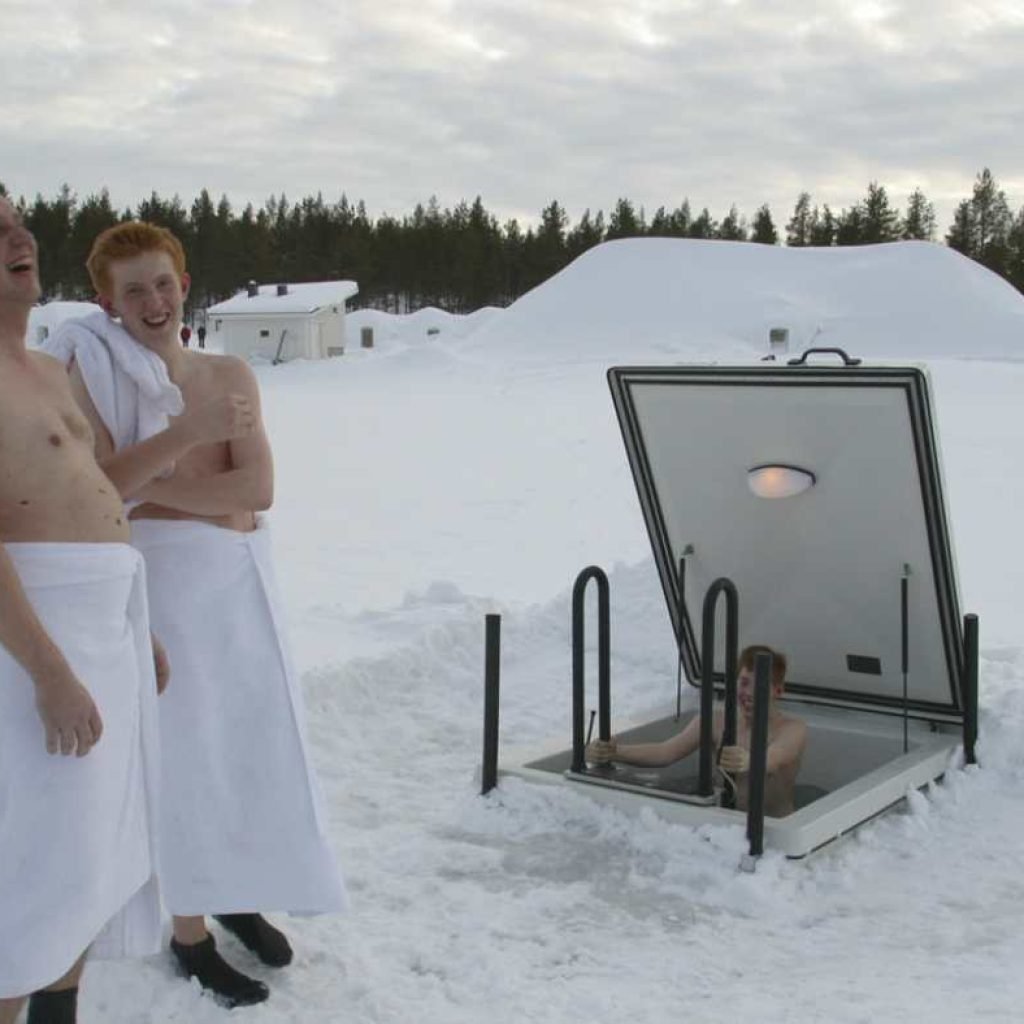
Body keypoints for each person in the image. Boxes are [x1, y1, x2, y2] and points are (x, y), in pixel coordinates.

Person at [60, 221, 346, 1008]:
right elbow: (97, 486)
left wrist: (149, 483)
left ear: (185, 283)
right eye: (132, 291)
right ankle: (187, 932)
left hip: (238, 585)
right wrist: (170, 459)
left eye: (162, 282)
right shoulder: (93, 377)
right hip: (164, 591)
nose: (152, 301)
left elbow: (253, 492)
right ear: (105, 303)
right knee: (181, 757)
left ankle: (234, 889)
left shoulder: (228, 375)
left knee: (245, 743)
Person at [0, 197, 164, 1023]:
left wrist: (140, 630)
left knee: (85, 855)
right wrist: (50, 674)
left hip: (101, 628)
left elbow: (93, 495)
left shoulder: (44, 369)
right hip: (33, 644)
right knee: (22, 867)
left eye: (17, 220)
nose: (18, 238)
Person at [586, 645, 807, 817]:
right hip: (727, 822)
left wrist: (748, 760)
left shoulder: (792, 730)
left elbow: (775, 757)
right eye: (744, 682)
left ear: (777, 690)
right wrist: (615, 752)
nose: (748, 693)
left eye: (759, 685)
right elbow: (665, 752)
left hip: (774, 829)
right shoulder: (715, 722)